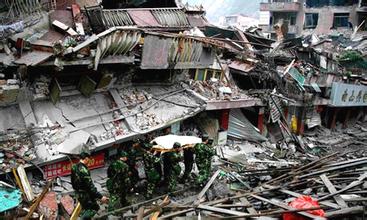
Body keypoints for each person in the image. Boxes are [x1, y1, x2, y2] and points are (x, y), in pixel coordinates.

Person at [71, 151, 108, 219]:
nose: (89, 161)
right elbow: (90, 186)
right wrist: (100, 197)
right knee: (94, 208)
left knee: (86, 207)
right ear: (86, 159)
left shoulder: (74, 167)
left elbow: (73, 182)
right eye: (89, 159)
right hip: (86, 194)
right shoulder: (84, 170)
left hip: (79, 193)